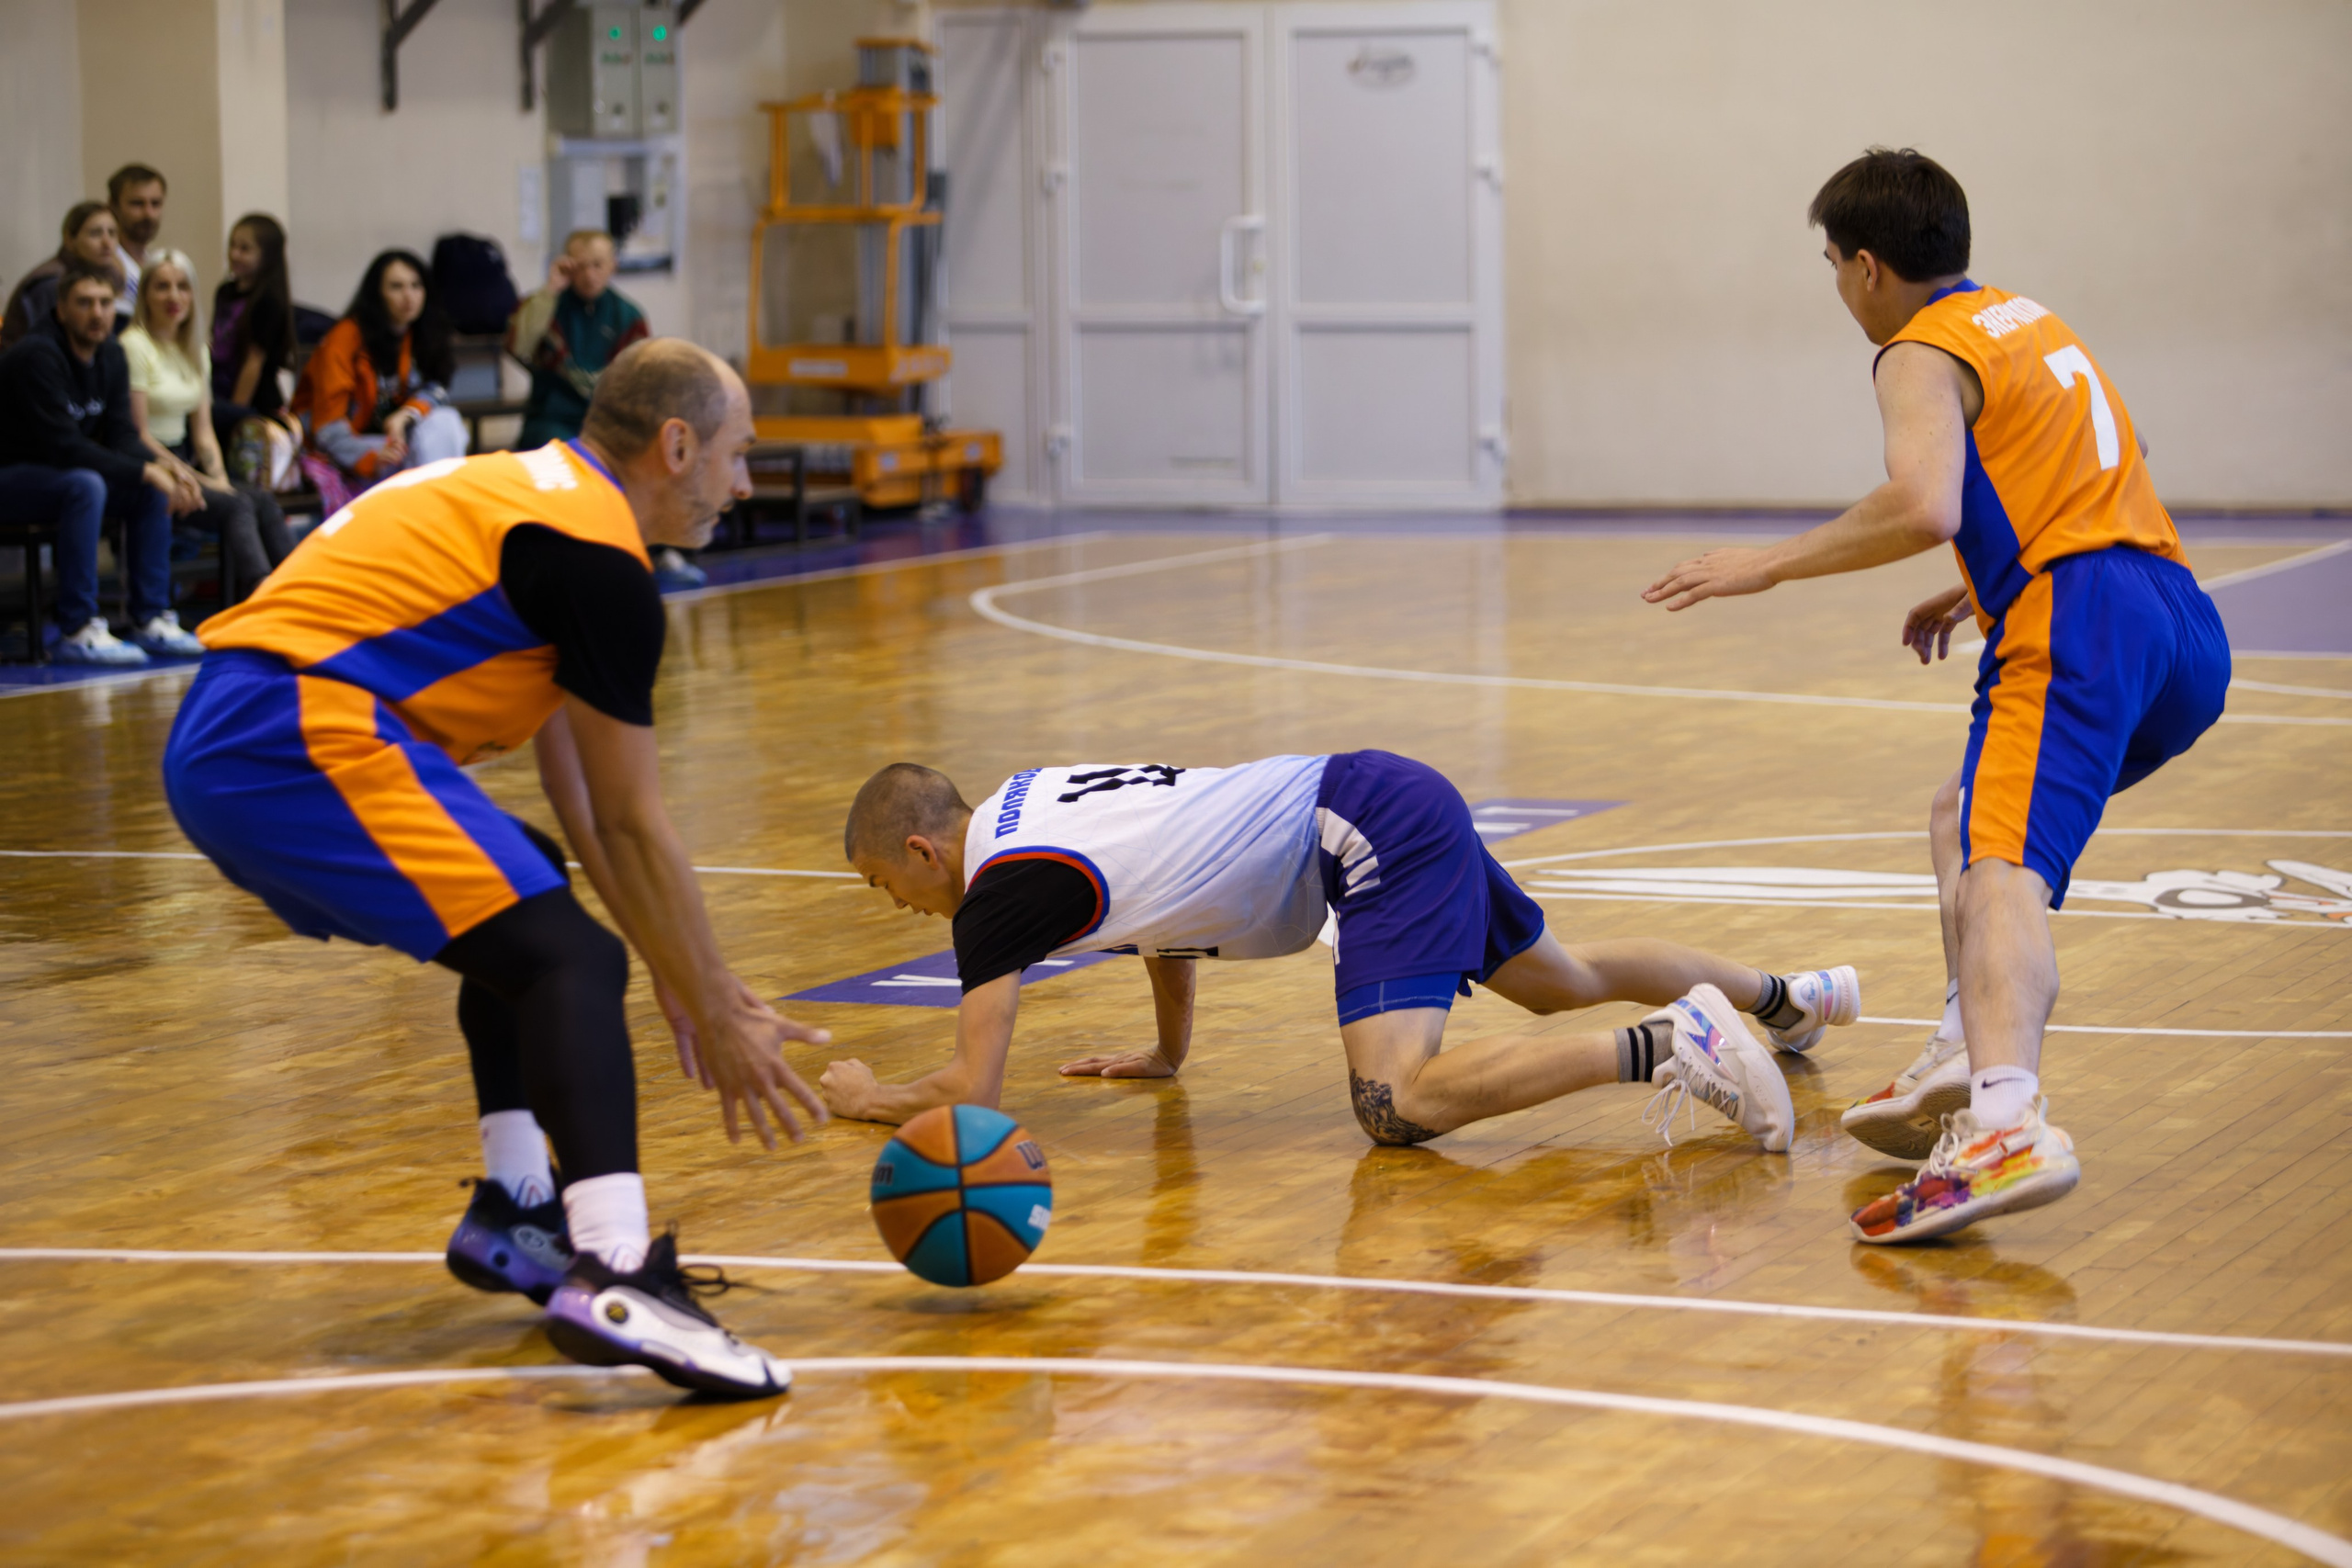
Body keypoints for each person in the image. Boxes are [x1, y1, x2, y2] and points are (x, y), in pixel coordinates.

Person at [164, 340, 826, 1399]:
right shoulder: (597, 557)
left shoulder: (537, 493)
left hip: (245, 724)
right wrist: (709, 998)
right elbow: (639, 821)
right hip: (288, 731)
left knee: (535, 882)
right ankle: (613, 1268)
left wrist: (676, 970)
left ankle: (521, 1209)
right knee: (571, 961)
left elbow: (588, 819)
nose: (742, 486)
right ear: (676, 444)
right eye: (737, 456)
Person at [1641, 149, 2228, 1245]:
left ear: (1867, 267)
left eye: (1830, 265)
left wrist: (1764, 564)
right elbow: (2115, 454)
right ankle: (1971, 1037)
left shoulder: (1915, 348)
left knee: (1999, 863)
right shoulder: (2026, 319)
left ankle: (2005, 1121)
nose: (1835, 288)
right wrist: (1981, 586)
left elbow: (1921, 502)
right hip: (2178, 623)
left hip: (2080, 617)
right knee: (1961, 817)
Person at [821, 753, 1862, 1154]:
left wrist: (866, 1091)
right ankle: (1789, 999)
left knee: (1394, 1106)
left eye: (885, 887)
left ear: (919, 850)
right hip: (1382, 791)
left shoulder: (993, 896)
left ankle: (1677, 1043)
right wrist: (1167, 1054)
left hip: (1365, 834)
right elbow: (1156, 903)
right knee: (1563, 981)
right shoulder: (1028, 796)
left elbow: (973, 1092)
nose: (901, 908)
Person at [0, 257, 206, 664]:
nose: (97, 314)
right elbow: (66, 447)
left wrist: (168, 469)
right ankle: (77, 627)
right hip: (12, 477)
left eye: (105, 303)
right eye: (84, 303)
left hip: (58, 476)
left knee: (148, 488)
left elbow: (123, 436)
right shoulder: (37, 356)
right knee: (86, 484)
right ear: (61, 309)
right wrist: (147, 469)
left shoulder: (111, 352)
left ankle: (150, 618)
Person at [507, 231, 698, 589]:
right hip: (554, 416)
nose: (589, 274)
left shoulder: (626, 315)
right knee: (557, 455)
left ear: (613, 266)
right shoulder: (546, 307)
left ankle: (656, 551)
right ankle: (564, 559)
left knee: (652, 453)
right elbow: (519, 344)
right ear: (566, 265)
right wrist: (550, 289)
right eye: (579, 266)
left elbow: (641, 377)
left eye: (598, 265)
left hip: (611, 419)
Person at [121, 248, 293, 604]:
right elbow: (137, 433)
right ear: (146, 295)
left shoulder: (195, 348)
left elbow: (203, 433)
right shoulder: (133, 345)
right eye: (162, 287)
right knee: (236, 506)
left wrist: (217, 478)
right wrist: (195, 479)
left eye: (182, 287)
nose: (174, 297)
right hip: (149, 462)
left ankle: (302, 587)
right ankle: (266, 597)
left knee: (258, 498)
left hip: (185, 458)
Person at [289, 248, 469, 512]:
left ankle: (438, 513)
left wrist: (406, 414)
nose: (409, 297)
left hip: (388, 439)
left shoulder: (421, 332)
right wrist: (371, 459)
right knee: (418, 454)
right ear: (377, 294)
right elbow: (328, 429)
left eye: (416, 286)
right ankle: (437, 517)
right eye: (396, 287)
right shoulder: (345, 338)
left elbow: (437, 388)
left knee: (447, 422)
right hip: (338, 448)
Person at [209, 213, 304, 477]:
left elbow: (254, 362)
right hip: (221, 387)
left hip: (254, 400)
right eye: (233, 245)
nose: (235, 254)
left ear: (266, 256)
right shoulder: (225, 291)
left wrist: (235, 414)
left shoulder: (268, 300)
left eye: (245, 249)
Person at [2, 201, 122, 351]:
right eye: (95, 233)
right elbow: (42, 349)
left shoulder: (108, 276)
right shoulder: (51, 283)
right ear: (69, 239)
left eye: (112, 233)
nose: (107, 243)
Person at [107, 164, 167, 324]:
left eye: (155, 204)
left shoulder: (155, 263)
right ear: (113, 206)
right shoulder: (107, 263)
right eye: (137, 203)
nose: (148, 213)